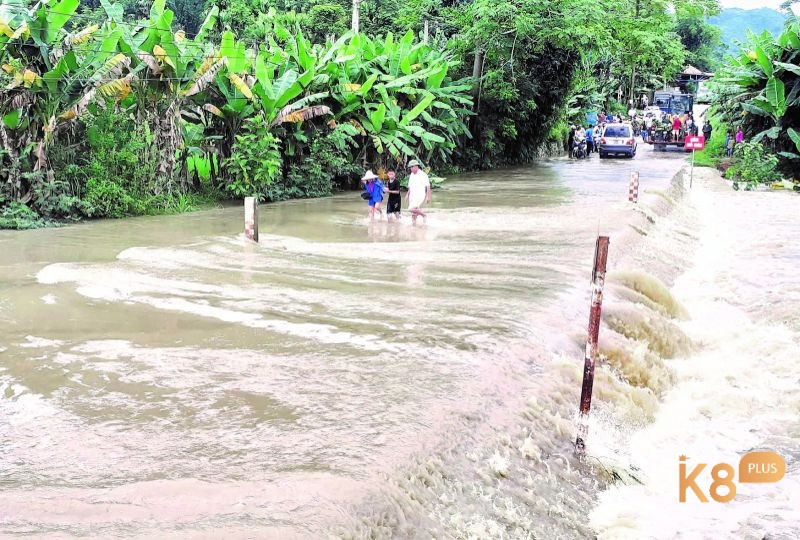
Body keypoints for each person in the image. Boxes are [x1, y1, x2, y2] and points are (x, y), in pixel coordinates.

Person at [406, 160, 431, 226]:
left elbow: (428, 186)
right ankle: (414, 226)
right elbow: (410, 186)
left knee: (410, 209)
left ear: (417, 166)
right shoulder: (411, 175)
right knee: (414, 214)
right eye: (410, 167)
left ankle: (424, 215)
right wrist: (407, 194)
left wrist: (428, 197)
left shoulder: (423, 175)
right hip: (412, 194)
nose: (411, 168)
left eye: (412, 167)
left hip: (420, 195)